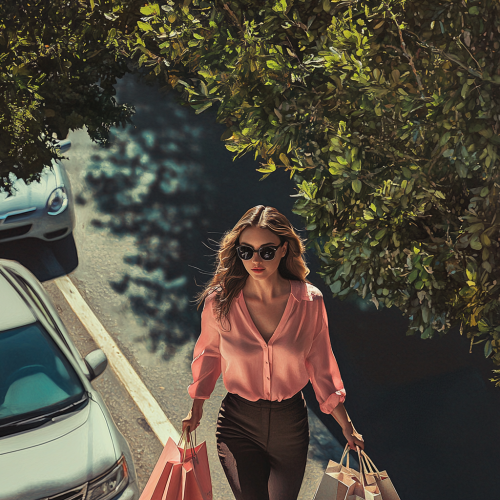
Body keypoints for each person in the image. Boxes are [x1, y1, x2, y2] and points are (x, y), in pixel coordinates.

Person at [182, 205, 364, 500]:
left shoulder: (309, 302)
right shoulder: (219, 302)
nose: (255, 260)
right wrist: (196, 407)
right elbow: (209, 356)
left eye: (266, 251)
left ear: (284, 249)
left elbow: (321, 366)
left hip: (289, 427)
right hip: (238, 424)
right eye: (246, 251)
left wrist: (347, 425)